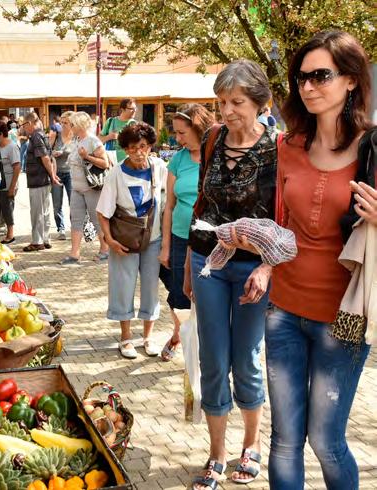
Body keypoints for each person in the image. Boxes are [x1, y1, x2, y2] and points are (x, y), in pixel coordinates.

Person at [262, 31, 374, 490]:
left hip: (345, 315)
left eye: (320, 76)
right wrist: (258, 252)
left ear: (350, 80)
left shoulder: (374, 147)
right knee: (284, 439)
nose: (307, 86)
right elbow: (281, 223)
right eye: (301, 77)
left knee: (326, 440)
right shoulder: (287, 146)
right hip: (283, 308)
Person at [184, 60, 278, 488]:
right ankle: (216, 452)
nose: (227, 111)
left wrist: (267, 266)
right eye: (222, 102)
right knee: (213, 359)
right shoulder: (211, 140)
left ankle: (252, 444)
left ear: (261, 103)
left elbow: (284, 217)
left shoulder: (280, 148)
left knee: (247, 358)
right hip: (209, 263)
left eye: (237, 102)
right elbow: (200, 208)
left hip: (252, 269)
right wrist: (189, 262)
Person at [97, 122, 168, 359]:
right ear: (125, 149)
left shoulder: (159, 167)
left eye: (144, 146)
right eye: (133, 147)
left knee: (150, 288)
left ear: (150, 147)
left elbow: (169, 202)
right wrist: (109, 240)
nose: (139, 152)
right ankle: (126, 338)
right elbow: (103, 211)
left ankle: (148, 337)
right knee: (122, 287)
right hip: (123, 240)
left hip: (153, 238)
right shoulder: (115, 173)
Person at [158, 104, 215, 361]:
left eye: (182, 133)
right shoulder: (178, 159)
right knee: (180, 294)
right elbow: (169, 206)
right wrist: (166, 245)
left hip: (211, 241)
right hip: (181, 237)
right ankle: (179, 333)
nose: (177, 139)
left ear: (199, 128)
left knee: (208, 295)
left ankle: (203, 343)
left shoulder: (215, 154)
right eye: (176, 133)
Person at [61, 111, 109, 264]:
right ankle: (75, 254)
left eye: (72, 124)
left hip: (91, 188)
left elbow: (105, 163)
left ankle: (105, 250)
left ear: (80, 125)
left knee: (97, 220)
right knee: (76, 220)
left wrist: (87, 157)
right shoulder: (76, 140)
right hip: (77, 187)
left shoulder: (93, 141)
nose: (71, 127)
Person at [22, 111, 60, 252]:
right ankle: (45, 239)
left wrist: (52, 174)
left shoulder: (36, 136)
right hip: (43, 179)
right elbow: (50, 157)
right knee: (44, 210)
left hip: (38, 179)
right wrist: (52, 175)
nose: (23, 128)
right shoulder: (42, 134)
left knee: (37, 211)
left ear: (30, 123)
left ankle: (37, 242)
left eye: (24, 125)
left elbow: (45, 157)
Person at [0, 120, 21, 244]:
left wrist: (12, 188)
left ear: (1, 134)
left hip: (8, 184)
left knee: (8, 210)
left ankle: (10, 234)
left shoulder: (12, 147)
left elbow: (17, 167)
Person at [51, 111, 75, 240]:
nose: (63, 125)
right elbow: (47, 151)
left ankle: (75, 229)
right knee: (57, 203)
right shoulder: (56, 135)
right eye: (62, 122)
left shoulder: (76, 137)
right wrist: (53, 153)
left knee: (74, 203)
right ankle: (61, 229)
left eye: (66, 123)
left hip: (71, 173)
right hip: (56, 172)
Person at [99, 98, 137, 163]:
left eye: (135, 108)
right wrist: (109, 137)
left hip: (128, 163)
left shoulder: (134, 124)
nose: (134, 111)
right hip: (111, 162)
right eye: (131, 109)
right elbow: (99, 140)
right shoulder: (110, 121)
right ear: (122, 109)